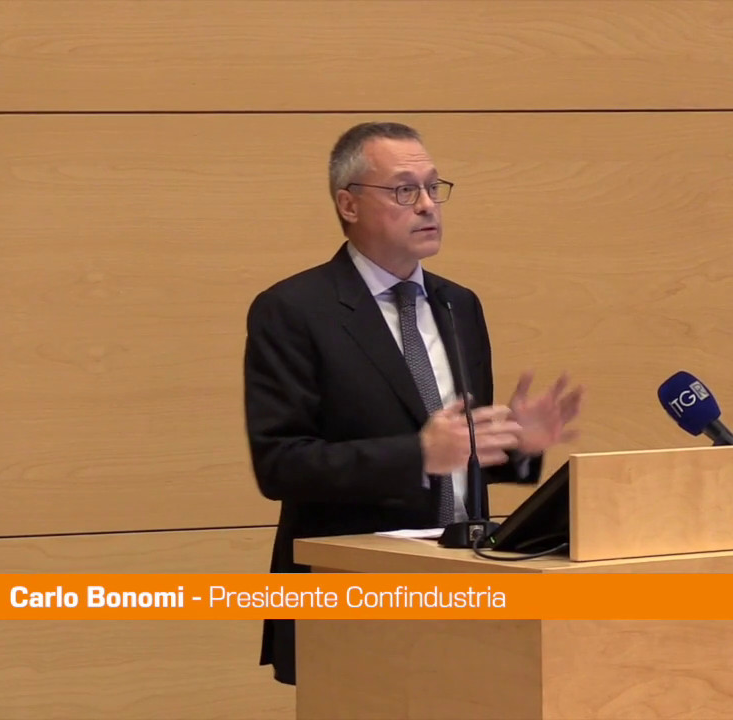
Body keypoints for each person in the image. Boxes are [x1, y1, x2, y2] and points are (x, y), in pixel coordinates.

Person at [242, 121, 583, 686]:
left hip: (466, 586)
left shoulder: (458, 305)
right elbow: (281, 464)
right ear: (348, 204)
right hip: (354, 596)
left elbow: (460, 454)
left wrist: (515, 445)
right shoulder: (294, 311)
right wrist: (417, 454)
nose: (427, 205)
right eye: (404, 190)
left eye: (432, 187)